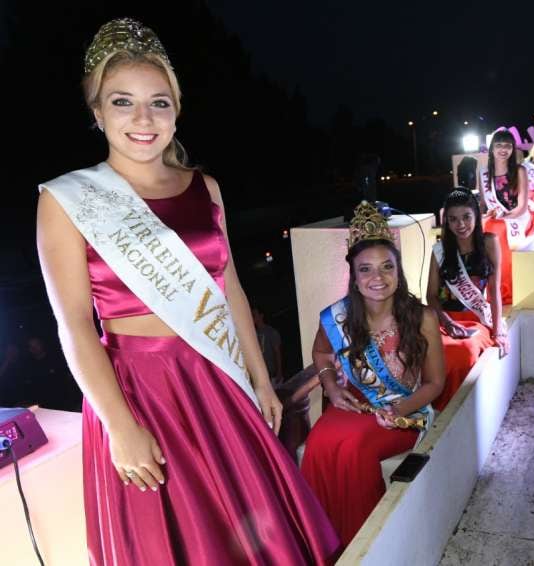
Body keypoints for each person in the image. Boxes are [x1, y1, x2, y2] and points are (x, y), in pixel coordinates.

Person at [36, 19, 338, 565]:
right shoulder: (67, 199)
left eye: (159, 103)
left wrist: (261, 381)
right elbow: (75, 325)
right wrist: (120, 426)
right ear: (97, 111)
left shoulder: (206, 188)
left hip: (215, 380)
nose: (143, 119)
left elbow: (231, 289)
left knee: (257, 529)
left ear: (177, 110)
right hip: (137, 388)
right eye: (123, 102)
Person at [301, 201, 446, 547]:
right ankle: (323, 542)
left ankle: (369, 544)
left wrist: (399, 410)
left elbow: (435, 383)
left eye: (386, 267)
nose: (377, 278)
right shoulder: (340, 316)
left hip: (405, 412)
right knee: (319, 443)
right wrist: (332, 388)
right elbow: (321, 352)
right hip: (357, 402)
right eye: (365, 269)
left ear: (399, 271)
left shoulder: (422, 317)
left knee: (354, 450)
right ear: (353, 275)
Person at [426, 189, 507, 411]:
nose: (460, 224)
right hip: (444, 321)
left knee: (463, 352)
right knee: (430, 351)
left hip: (477, 319)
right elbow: (431, 295)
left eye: (466, 217)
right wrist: (446, 322)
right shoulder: (440, 250)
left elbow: (494, 290)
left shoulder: (489, 242)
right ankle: (436, 409)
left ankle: (457, 410)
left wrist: (498, 329)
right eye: (453, 219)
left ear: (476, 216)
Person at [479, 129, 529, 305]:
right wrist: (488, 214)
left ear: (513, 149)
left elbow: (522, 207)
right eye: (499, 145)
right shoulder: (484, 173)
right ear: (491, 149)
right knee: (483, 229)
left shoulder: (520, 170)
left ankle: (505, 291)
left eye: (507, 146)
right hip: (496, 218)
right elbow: (484, 206)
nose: (503, 149)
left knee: (497, 231)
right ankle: (486, 289)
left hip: (516, 218)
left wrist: (505, 216)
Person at [252, 305, 283, 386]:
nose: (252, 317)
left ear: (261, 316)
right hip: (261, 376)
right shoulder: (253, 334)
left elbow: (277, 353)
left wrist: (279, 372)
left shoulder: (271, 332)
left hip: (272, 375)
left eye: (254, 315)